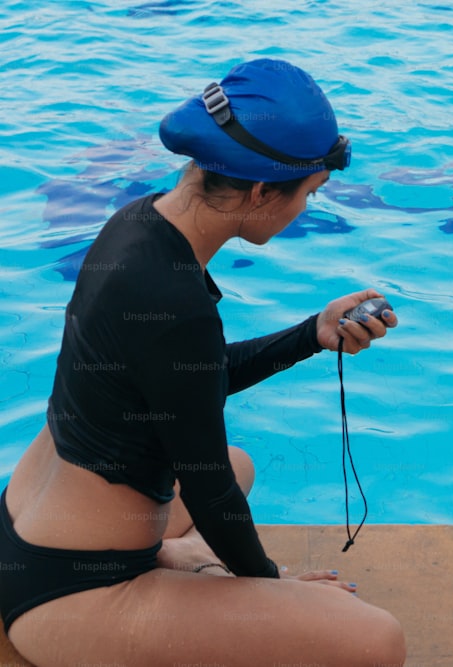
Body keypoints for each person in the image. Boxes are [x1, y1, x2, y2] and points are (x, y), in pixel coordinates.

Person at [0, 59, 406, 666]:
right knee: (374, 641)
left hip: (26, 526)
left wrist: (311, 335)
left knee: (242, 464)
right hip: (73, 589)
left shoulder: (138, 224)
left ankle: (163, 555)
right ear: (263, 191)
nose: (305, 211)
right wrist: (270, 588)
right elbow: (210, 489)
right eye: (308, 194)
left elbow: (188, 375)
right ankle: (155, 566)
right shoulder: (172, 302)